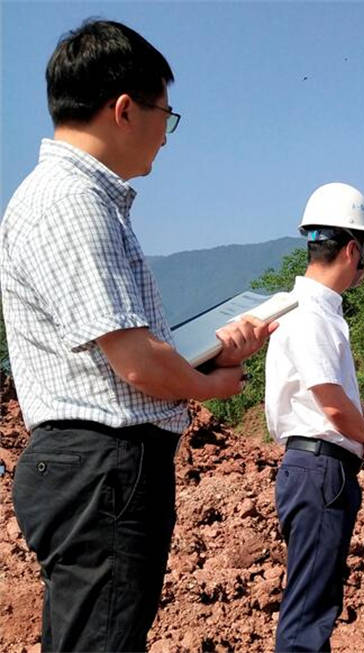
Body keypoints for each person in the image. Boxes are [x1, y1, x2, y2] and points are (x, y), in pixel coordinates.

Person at [1, 20, 270, 652]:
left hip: (93, 467)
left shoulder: (71, 198)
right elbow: (136, 363)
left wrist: (201, 359)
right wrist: (211, 384)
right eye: (165, 116)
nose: (166, 136)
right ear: (124, 110)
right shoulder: (72, 201)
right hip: (103, 467)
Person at [266, 183, 364, 651]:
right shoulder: (313, 314)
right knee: (311, 608)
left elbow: (340, 396)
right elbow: (332, 404)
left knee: (315, 597)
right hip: (320, 469)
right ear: (354, 250)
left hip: (317, 468)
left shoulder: (312, 309)